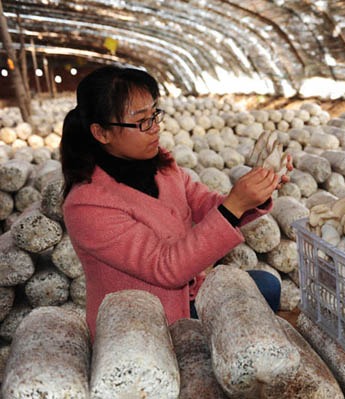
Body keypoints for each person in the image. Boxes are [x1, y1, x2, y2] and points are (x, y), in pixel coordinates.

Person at [60, 66, 291, 340]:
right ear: (102, 133)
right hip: (146, 320)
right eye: (142, 121)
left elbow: (208, 205)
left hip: (189, 293)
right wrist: (236, 205)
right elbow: (166, 268)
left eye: (155, 114)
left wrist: (258, 192)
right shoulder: (87, 205)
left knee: (267, 285)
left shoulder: (161, 164)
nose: (155, 127)